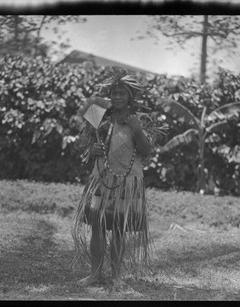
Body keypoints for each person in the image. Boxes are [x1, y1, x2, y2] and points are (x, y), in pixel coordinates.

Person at [71, 73, 164, 290]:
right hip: (101, 180)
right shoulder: (100, 119)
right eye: (114, 92)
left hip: (127, 182)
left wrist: (137, 129)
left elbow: (146, 151)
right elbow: (85, 146)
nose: (118, 96)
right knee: (98, 226)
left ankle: (116, 276)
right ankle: (94, 274)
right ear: (109, 95)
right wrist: (91, 150)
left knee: (120, 230)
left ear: (130, 97)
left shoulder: (138, 122)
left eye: (123, 93)